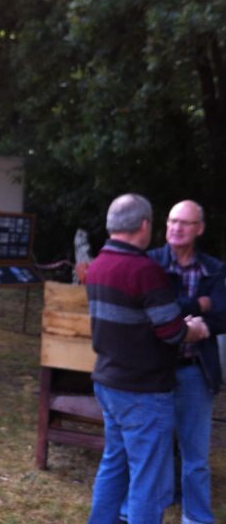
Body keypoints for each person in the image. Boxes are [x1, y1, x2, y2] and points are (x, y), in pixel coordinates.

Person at [85, 194, 209, 524]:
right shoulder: (145, 271)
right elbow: (171, 332)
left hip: (108, 382)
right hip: (143, 391)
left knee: (114, 464)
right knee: (149, 480)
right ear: (144, 225)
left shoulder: (97, 266)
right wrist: (194, 329)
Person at [145, 200, 225, 524]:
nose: (176, 228)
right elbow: (153, 312)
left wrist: (196, 318)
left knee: (196, 456)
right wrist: (197, 306)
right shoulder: (150, 263)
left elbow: (222, 315)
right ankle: (147, 513)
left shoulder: (214, 269)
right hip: (156, 370)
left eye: (184, 222)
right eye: (172, 221)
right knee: (153, 451)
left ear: (199, 228)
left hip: (195, 370)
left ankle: (196, 518)